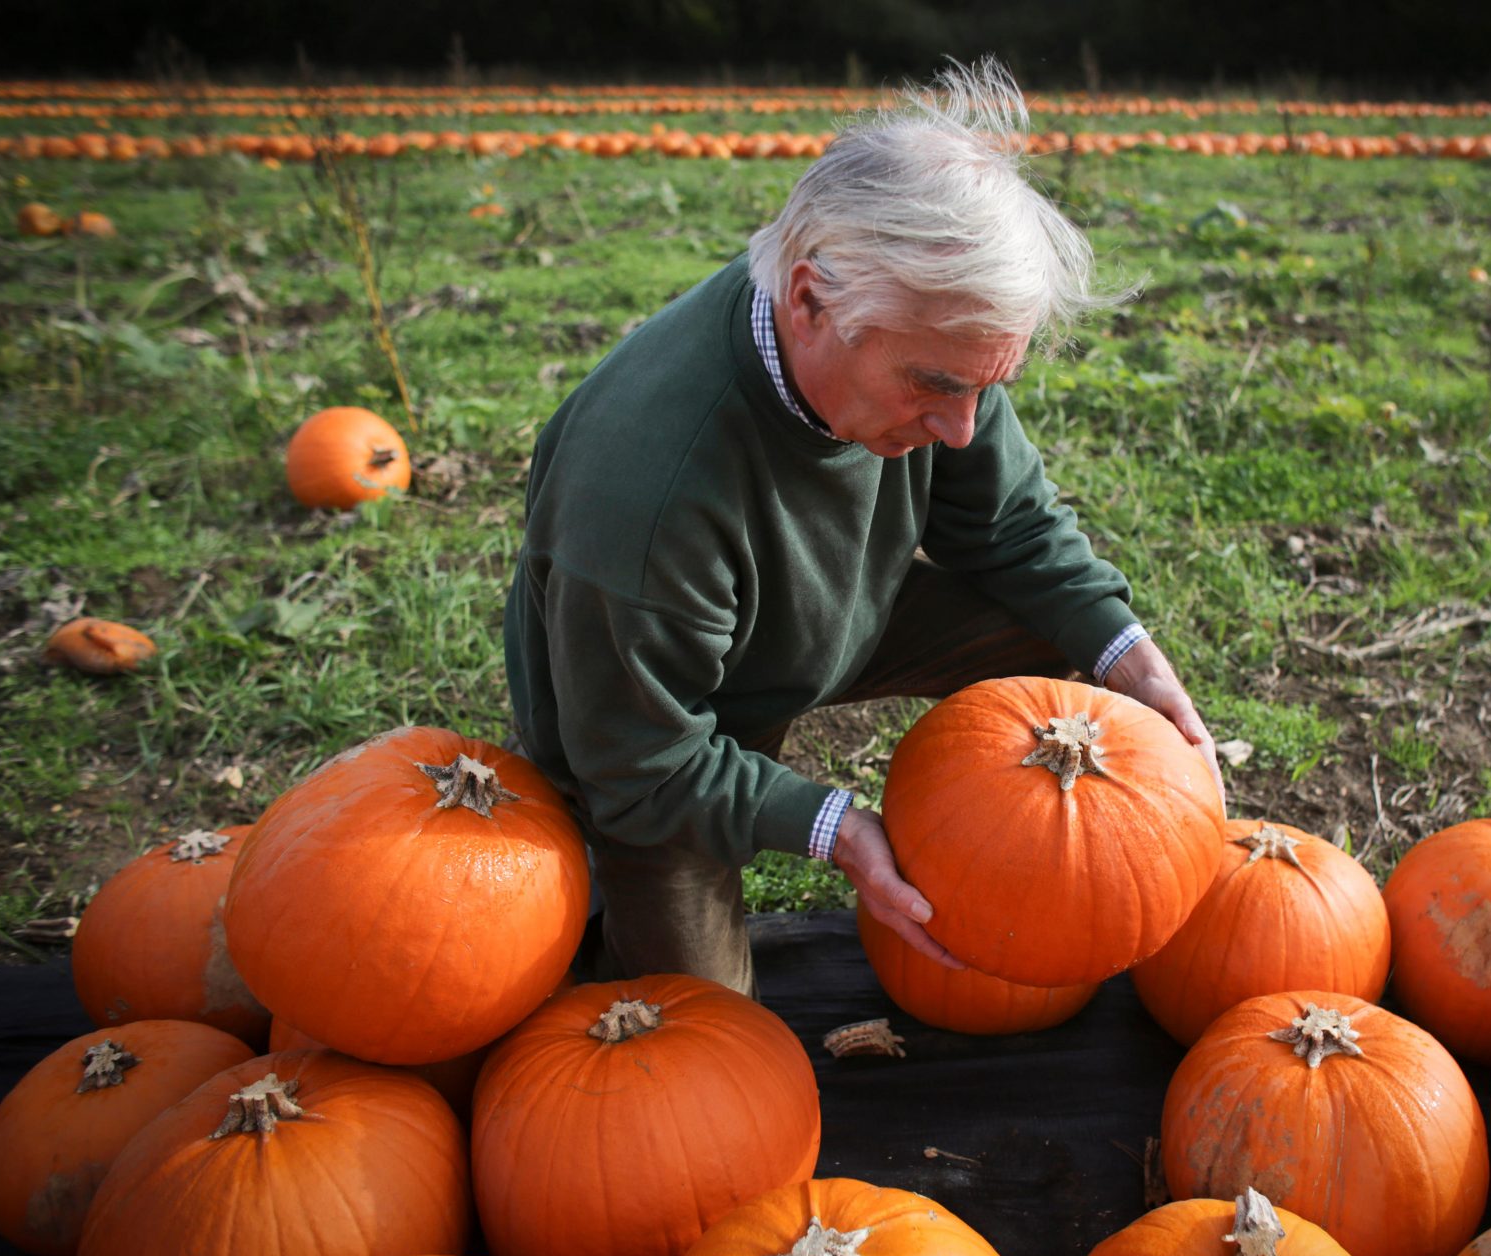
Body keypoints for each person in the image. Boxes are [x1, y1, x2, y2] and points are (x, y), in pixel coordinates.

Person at [503, 56, 1220, 997]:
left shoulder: (929, 335)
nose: (961, 429)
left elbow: (1007, 525)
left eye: (985, 388)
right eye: (936, 386)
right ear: (810, 301)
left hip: (832, 618)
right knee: (703, 1039)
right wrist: (835, 822)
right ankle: (586, 917)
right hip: (660, 744)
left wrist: (1134, 659)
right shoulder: (644, 491)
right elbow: (642, 763)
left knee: (1071, 645)